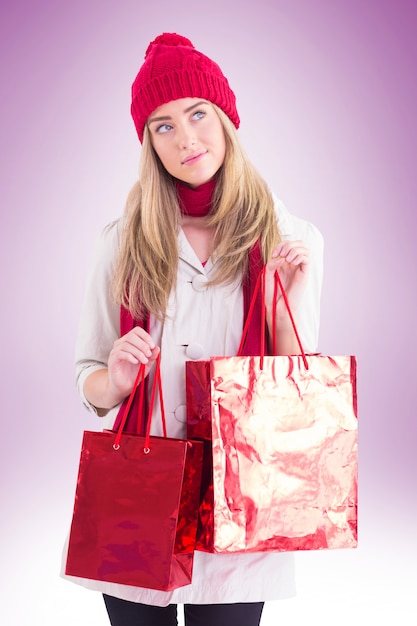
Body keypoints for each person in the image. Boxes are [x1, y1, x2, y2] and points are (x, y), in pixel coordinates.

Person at [66, 33, 324, 626]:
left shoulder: (289, 238)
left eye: (197, 114)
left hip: (240, 488)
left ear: (226, 119)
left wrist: (285, 299)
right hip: (140, 488)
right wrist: (120, 378)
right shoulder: (121, 241)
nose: (185, 139)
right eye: (162, 125)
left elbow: (295, 391)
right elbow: (90, 378)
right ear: (148, 143)